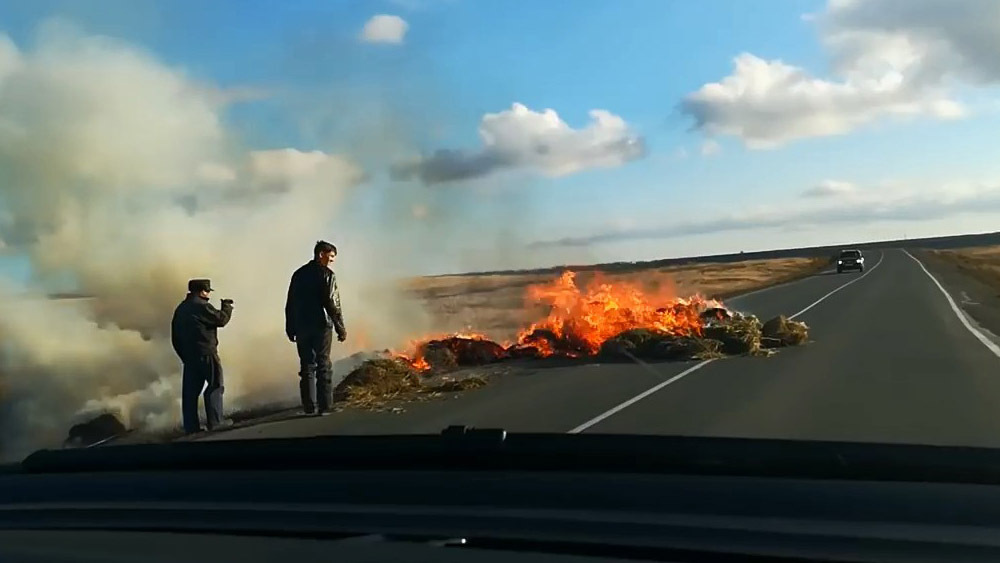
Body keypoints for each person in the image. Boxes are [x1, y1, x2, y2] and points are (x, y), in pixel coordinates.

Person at [285, 240, 347, 415]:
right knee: (323, 365)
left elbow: (290, 303)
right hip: (321, 325)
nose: (333, 260)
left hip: (302, 326)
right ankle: (326, 406)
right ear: (321, 254)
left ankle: (309, 407)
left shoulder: (298, 274)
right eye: (331, 256)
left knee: (307, 367)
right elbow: (331, 303)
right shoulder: (327, 275)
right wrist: (340, 327)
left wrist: (290, 326)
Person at [170, 279, 234, 433]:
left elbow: (175, 337)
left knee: (190, 394)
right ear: (202, 291)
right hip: (206, 353)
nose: (208, 295)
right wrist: (227, 307)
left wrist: (184, 356)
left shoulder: (181, 308)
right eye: (207, 291)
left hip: (189, 356)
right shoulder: (201, 306)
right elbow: (221, 319)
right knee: (215, 385)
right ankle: (217, 422)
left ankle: (191, 428)